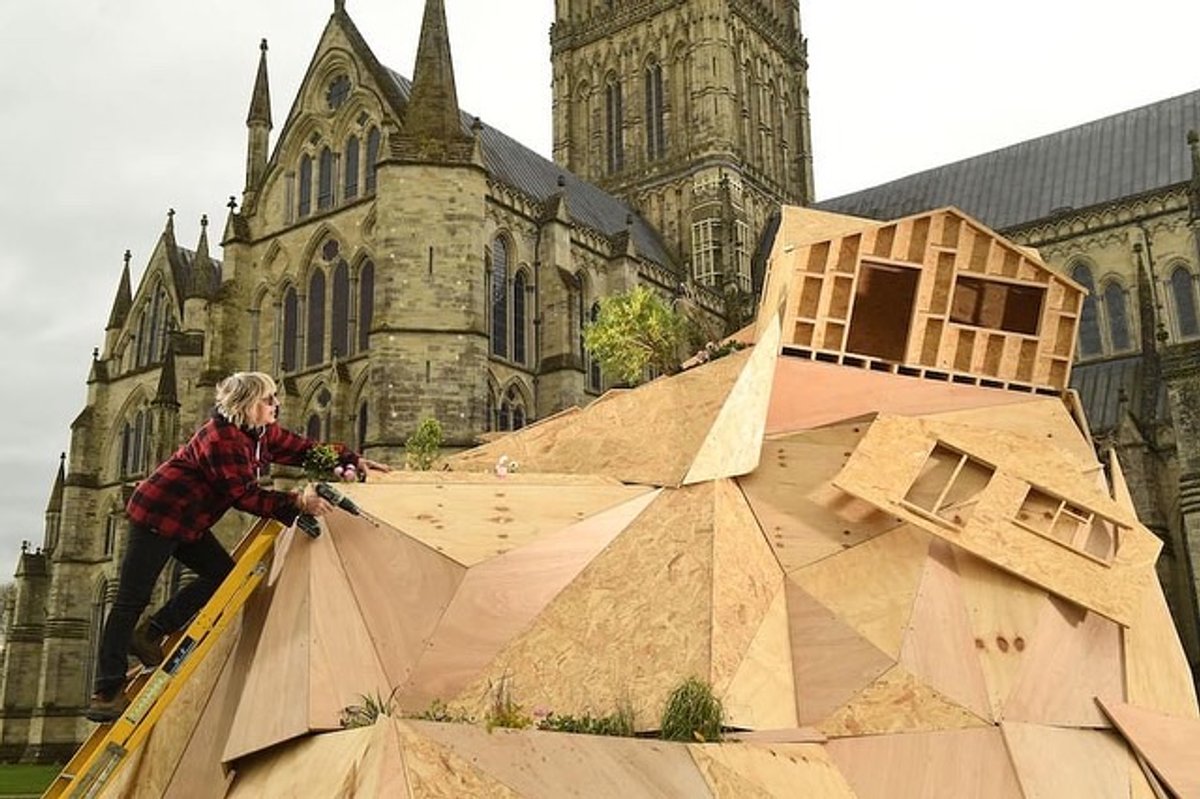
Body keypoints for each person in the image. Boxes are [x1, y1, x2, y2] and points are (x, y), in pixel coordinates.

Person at [87, 371, 389, 722]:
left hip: (190, 520)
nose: (276, 404)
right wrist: (297, 502)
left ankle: (150, 633)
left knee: (224, 577)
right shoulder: (223, 439)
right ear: (246, 404)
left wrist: (350, 460)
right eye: (268, 399)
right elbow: (244, 496)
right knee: (131, 598)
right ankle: (106, 692)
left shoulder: (259, 434)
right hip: (158, 514)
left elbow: (302, 449)